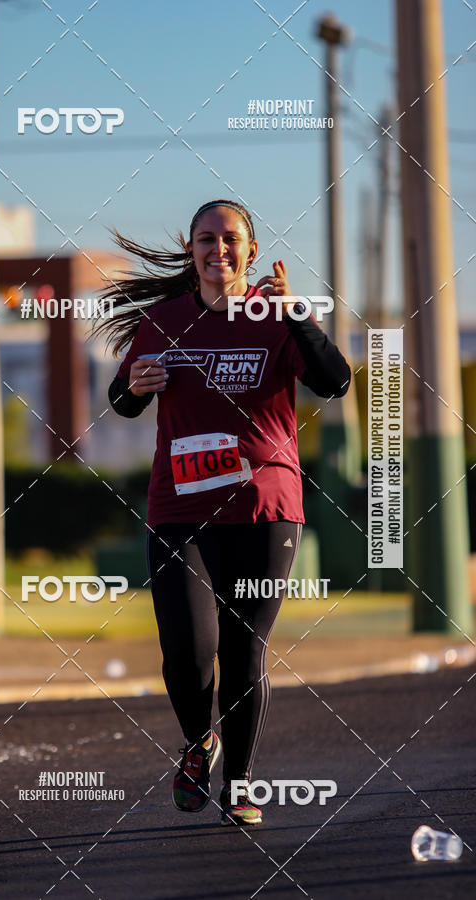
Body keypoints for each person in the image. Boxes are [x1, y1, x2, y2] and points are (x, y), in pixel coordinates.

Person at [98, 199, 351, 826]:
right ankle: (197, 741)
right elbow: (123, 399)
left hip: (267, 510)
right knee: (188, 649)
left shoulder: (278, 318)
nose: (219, 249)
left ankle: (240, 781)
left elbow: (335, 380)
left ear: (251, 251)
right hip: (180, 508)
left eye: (231, 239)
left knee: (243, 651)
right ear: (192, 251)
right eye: (206, 239)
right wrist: (132, 389)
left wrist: (296, 316)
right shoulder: (163, 321)